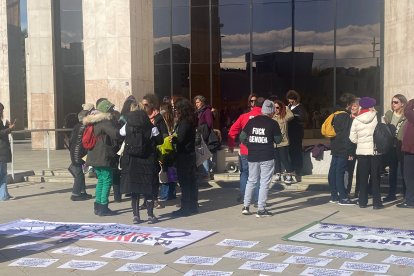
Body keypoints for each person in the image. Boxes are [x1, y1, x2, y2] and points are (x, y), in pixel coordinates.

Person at [120, 103, 163, 224]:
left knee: (134, 189)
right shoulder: (150, 126)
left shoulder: (127, 125)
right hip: (147, 160)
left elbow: (120, 134)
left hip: (131, 161)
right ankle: (150, 215)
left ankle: (136, 216)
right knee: (148, 188)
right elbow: (159, 140)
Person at [240, 100, 282, 217]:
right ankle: (261, 209)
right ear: (272, 111)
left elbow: (242, 137)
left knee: (251, 180)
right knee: (264, 183)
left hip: (252, 155)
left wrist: (250, 145)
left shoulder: (251, 121)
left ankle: (246, 206)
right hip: (267, 156)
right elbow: (278, 140)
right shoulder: (273, 123)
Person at [84, 99, 120, 216]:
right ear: (107, 111)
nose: (113, 111)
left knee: (101, 180)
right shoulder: (105, 122)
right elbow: (116, 134)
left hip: (94, 156)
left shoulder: (95, 122)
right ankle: (103, 206)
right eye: (111, 109)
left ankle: (98, 205)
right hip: (103, 156)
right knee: (107, 180)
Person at [349, 97, 383, 209]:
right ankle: (377, 203)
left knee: (363, 177)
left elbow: (352, 138)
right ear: (371, 106)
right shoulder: (376, 117)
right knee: (375, 178)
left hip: (362, 153)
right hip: (375, 151)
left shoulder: (356, 120)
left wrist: (361, 142)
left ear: (361, 107)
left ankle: (362, 202)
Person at [228, 97, 264, 202]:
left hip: (245, 150)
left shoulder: (244, 116)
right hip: (260, 150)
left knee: (244, 172)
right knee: (257, 174)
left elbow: (232, 130)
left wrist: (231, 145)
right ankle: (258, 199)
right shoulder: (265, 117)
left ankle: (244, 195)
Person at [171, 98, 198, 217]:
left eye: (177, 109)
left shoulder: (184, 122)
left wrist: (173, 138)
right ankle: (193, 206)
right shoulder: (191, 120)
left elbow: (180, 139)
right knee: (192, 181)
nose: (176, 111)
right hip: (190, 154)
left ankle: (185, 207)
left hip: (184, 155)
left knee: (185, 182)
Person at [327, 93, 355, 205]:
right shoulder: (345, 117)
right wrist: (350, 150)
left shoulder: (335, 114)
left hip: (335, 146)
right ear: (348, 104)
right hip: (343, 148)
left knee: (333, 171)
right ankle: (343, 197)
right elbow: (346, 136)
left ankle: (334, 196)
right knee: (340, 172)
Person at [142, 94, 169, 208]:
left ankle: (154, 199)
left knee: (153, 177)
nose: (144, 107)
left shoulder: (158, 118)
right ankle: (145, 200)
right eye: (142, 105)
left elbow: (164, 134)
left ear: (152, 105)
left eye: (146, 105)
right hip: (143, 151)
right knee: (144, 177)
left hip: (154, 151)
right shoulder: (141, 117)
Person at [382, 94, 408, 202]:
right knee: (392, 171)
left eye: (396, 102)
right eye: (392, 102)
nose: (393, 104)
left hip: (402, 145)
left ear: (402, 103)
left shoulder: (407, 115)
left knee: (404, 171)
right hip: (391, 147)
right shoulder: (389, 114)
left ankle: (407, 194)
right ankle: (391, 194)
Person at [68, 110, 92, 201]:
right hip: (79, 154)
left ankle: (82, 192)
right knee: (79, 175)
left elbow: (70, 140)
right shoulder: (84, 127)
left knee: (80, 173)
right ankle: (75, 194)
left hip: (76, 153)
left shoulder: (77, 126)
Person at [157, 102, 177, 208]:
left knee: (164, 173)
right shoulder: (175, 119)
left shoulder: (161, 119)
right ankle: (172, 194)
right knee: (172, 172)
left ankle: (164, 195)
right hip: (173, 149)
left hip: (164, 149)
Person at [272, 99, 294, 184]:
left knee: (284, 159)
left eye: (277, 107)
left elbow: (291, 115)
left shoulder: (284, 116)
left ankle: (289, 174)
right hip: (274, 143)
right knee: (276, 159)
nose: (276, 109)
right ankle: (278, 174)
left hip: (283, 142)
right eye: (274, 108)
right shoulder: (272, 117)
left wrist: (285, 107)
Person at [397, 98, 414, 208]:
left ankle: (410, 201)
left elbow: (407, 110)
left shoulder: (411, 116)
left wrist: (412, 101)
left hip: (411, 151)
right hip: (410, 150)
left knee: (409, 177)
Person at [286, 90, 306, 182]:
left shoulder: (301, 108)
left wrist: (293, 115)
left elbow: (303, 118)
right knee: (290, 151)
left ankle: (298, 170)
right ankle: (291, 169)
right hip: (289, 132)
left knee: (296, 151)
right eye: (289, 101)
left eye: (292, 101)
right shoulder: (289, 106)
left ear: (296, 99)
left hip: (297, 132)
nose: (290, 102)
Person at [194, 95, 214, 180]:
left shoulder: (207, 111)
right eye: (196, 102)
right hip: (198, 134)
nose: (196, 104)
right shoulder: (198, 111)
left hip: (204, 134)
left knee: (203, 153)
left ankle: (206, 173)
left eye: (198, 102)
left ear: (202, 102)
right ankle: (210, 166)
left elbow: (209, 123)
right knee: (201, 153)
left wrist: (203, 130)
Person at [345, 97, 360, 198]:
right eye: (352, 106)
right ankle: (346, 191)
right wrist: (349, 152)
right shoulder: (347, 118)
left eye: (355, 106)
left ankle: (358, 192)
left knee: (360, 172)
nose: (352, 108)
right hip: (350, 150)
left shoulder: (362, 119)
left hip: (361, 149)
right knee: (348, 171)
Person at [0, 103, 15, 201]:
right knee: (2, 174)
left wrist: (8, 127)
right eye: (1, 110)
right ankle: (3, 195)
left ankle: (5, 194)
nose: (1, 112)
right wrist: (9, 129)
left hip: (2, 151)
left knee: (3, 174)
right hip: (1, 151)